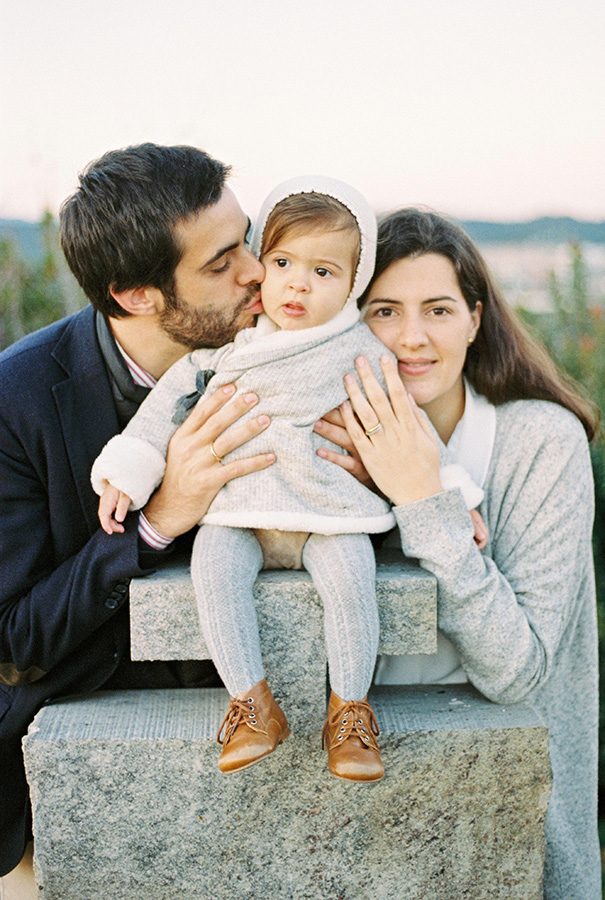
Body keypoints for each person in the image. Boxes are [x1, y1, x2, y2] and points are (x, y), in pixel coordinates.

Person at [91, 177, 486, 783]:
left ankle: (349, 711)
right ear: (261, 264)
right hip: (244, 511)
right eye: (281, 262)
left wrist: (456, 499)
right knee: (213, 568)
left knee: (351, 576)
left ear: (354, 282)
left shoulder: (361, 352)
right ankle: (252, 704)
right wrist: (130, 471)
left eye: (324, 272)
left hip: (326, 512)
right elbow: (161, 412)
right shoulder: (229, 350)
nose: (298, 283)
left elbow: (410, 433)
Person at [0, 143, 275, 895]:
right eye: (221, 264)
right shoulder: (16, 399)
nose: (257, 272)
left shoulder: (282, 352)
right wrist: (156, 521)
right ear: (135, 295)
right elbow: (14, 641)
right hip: (62, 795)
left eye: (246, 240)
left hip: (266, 772)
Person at [315, 207, 600, 899]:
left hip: (503, 812)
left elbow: (515, 671)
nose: (412, 338)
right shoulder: (318, 439)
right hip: (349, 812)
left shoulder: (539, 441)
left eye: (438, 309)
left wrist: (422, 499)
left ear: (475, 319)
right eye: (384, 311)